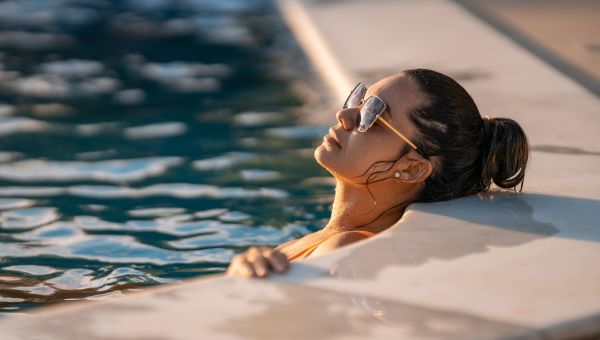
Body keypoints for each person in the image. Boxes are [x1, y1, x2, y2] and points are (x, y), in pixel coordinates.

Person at [226, 68, 529, 278]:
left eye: (372, 116)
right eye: (359, 100)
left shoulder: (345, 249)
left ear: (411, 168)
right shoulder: (330, 238)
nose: (344, 115)